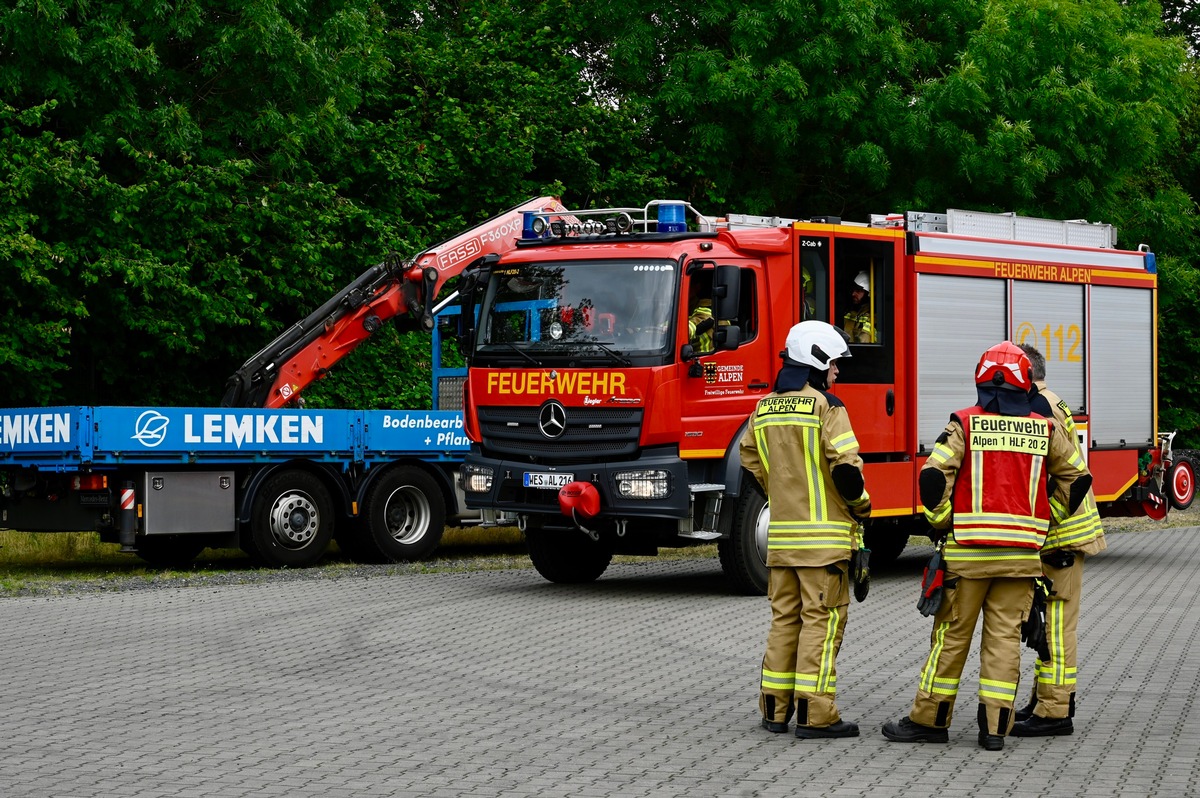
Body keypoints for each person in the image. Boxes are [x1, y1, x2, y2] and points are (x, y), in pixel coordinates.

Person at [882, 341, 1091, 751]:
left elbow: (932, 478)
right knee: (1004, 641)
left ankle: (930, 720)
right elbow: (1077, 478)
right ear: (1025, 380)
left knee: (951, 638)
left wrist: (943, 521)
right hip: (1020, 560)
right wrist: (1048, 519)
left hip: (968, 559)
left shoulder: (964, 423)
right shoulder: (1044, 427)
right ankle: (995, 730)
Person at [739, 321, 871, 739]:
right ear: (816, 362)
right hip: (824, 546)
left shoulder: (761, 409)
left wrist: (782, 491)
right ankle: (817, 715)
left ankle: (775, 711)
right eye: (834, 364)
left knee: (784, 622)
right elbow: (847, 471)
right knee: (822, 622)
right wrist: (862, 507)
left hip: (780, 542)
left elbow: (750, 462)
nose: (838, 373)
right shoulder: (827, 407)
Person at [1011, 343, 1107, 737]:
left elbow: (1053, 479)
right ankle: (1044, 698)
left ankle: (1055, 711)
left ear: (1025, 372)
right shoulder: (1050, 401)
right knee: (1046, 622)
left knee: (1056, 627)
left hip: (1061, 535)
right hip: (1062, 531)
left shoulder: (1040, 408)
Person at [842, 271, 875, 343]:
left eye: (858, 291)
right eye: (853, 290)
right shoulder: (849, 312)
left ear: (868, 293)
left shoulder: (872, 317)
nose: (853, 294)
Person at [687, 278, 715, 352]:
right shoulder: (679, 306)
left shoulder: (707, 305)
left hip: (706, 358)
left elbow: (691, 326)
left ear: (698, 286)